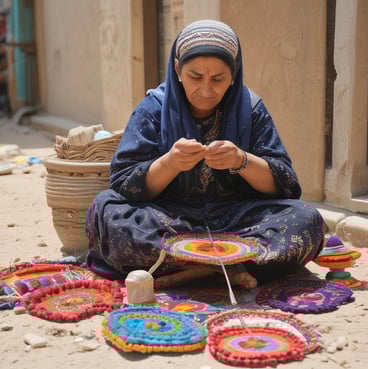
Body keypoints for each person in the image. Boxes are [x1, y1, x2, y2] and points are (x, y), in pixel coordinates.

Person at [85, 19, 325, 289]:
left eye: (218, 79)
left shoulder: (252, 108)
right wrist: (170, 163)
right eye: (195, 77)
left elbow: (285, 186)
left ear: (234, 74)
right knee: (108, 213)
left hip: (237, 220)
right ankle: (226, 267)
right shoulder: (153, 109)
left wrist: (242, 160)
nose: (206, 90)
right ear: (177, 69)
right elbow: (124, 184)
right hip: (169, 218)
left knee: (306, 219)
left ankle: (191, 267)